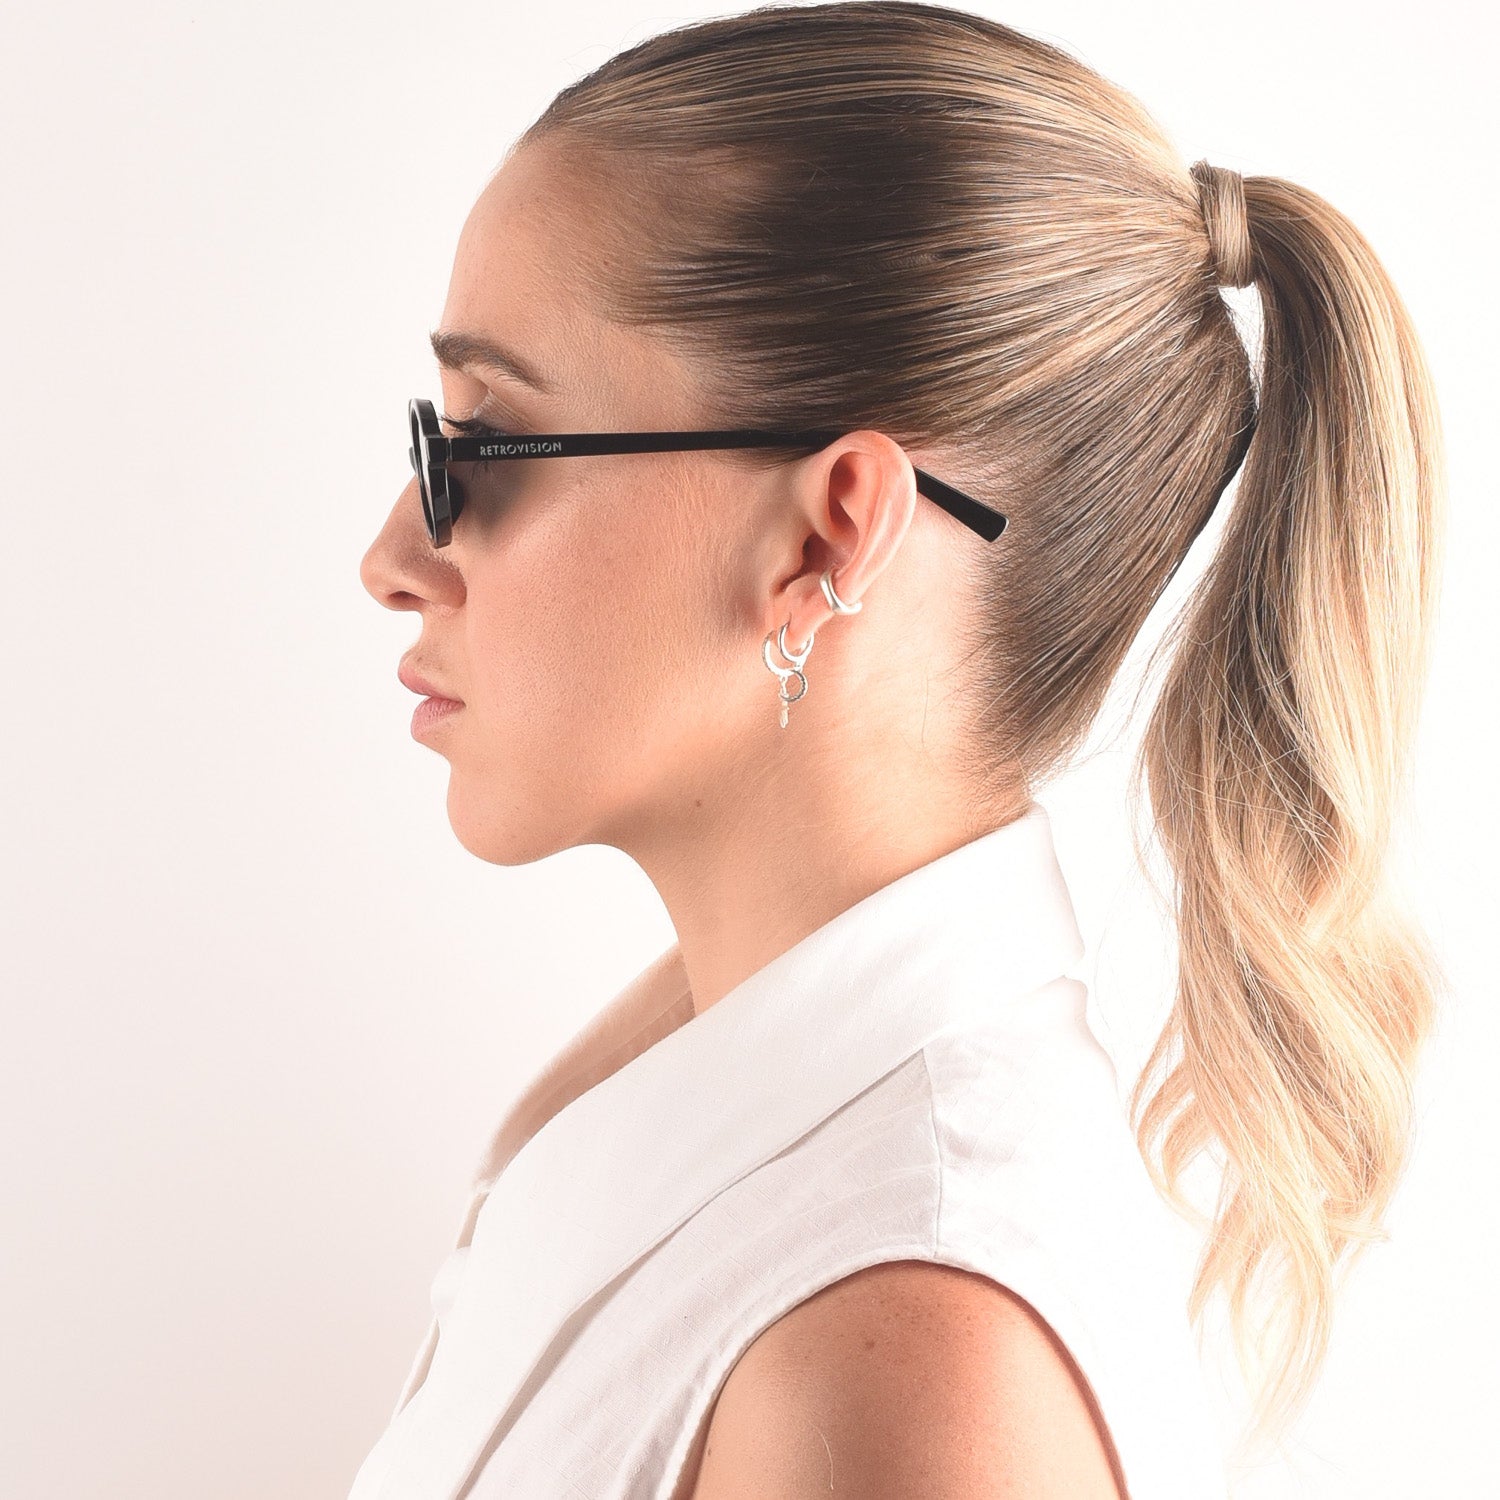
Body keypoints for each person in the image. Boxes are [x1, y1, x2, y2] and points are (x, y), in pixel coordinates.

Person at [353, 3, 1447, 1496]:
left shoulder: (913, 1363)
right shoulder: (676, 1107)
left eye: (481, 446)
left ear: (827, 535)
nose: (394, 558)